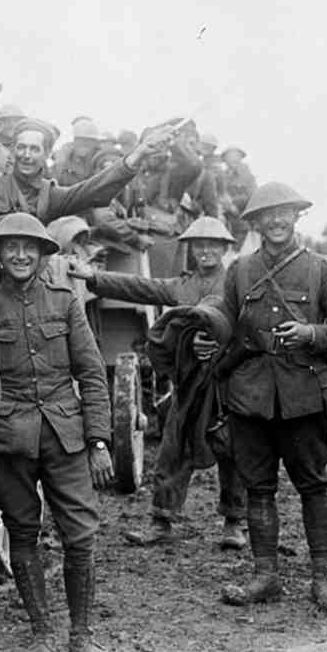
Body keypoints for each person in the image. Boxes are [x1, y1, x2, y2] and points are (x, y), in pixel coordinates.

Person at [205, 183, 327, 611]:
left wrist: (312, 334)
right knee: (258, 489)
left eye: (285, 214)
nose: (276, 221)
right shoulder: (238, 271)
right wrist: (210, 336)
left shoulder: (321, 270)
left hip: (303, 397)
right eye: (266, 216)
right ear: (255, 223)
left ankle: (324, 577)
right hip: (249, 397)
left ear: (296, 218)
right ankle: (265, 575)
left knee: (313, 486)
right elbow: (225, 321)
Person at [0, 213, 116, 652]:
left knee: (81, 533)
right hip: (8, 438)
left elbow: (92, 375)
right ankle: (42, 634)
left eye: (28, 247)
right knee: (21, 531)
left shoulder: (64, 302)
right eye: (10, 247)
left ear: (41, 254)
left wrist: (97, 440)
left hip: (66, 434)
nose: (19, 255)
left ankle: (82, 634)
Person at [69, 216, 247, 549]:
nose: (205, 251)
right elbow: (141, 287)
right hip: (190, 380)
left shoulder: (237, 283)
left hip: (227, 380)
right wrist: (94, 277)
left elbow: (248, 324)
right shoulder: (182, 286)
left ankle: (235, 523)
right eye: (199, 245)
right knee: (173, 448)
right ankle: (162, 520)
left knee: (232, 449)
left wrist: (221, 342)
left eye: (213, 245)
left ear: (225, 248)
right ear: (190, 249)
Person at [0, 117, 168, 226]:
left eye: (34, 149)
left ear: (46, 154)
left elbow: (94, 189)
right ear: (13, 150)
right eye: (21, 148)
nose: (26, 155)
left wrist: (138, 154)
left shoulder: (51, 195)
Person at [52, 119, 103, 187]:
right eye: (80, 140)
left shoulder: (100, 160)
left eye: (88, 141)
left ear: (95, 143)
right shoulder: (62, 162)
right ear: (73, 141)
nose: (84, 143)